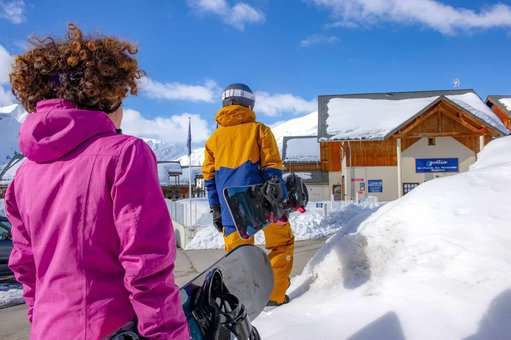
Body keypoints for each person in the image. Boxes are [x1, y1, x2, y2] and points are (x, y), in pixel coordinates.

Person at [6, 24, 189, 339]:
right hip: (113, 329)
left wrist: (45, 322)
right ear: (105, 98)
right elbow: (147, 267)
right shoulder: (125, 154)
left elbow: (27, 269)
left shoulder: (23, 175)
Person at [202, 83, 295, 306]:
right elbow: (272, 167)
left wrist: (216, 209)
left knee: (238, 258)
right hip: (265, 202)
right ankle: (275, 295)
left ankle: (244, 302)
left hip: (231, 210)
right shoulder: (260, 130)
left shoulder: (213, 140)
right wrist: (278, 198)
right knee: (280, 244)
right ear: (249, 104)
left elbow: (209, 180)